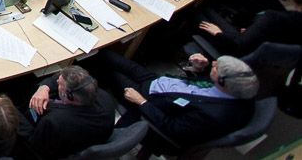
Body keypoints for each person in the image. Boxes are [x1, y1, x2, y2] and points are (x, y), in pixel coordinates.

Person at [91, 49, 258, 156]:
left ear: (223, 82)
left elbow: (172, 128)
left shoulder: (212, 115)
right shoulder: (234, 88)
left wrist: (141, 102)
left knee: (104, 71)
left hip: (149, 100)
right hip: (159, 83)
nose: (213, 63)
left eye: (215, 68)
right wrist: (201, 69)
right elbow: (201, 88)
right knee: (105, 54)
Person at [19, 66, 116, 160]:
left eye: (60, 84)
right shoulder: (104, 98)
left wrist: (14, 113)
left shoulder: (53, 122)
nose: (57, 81)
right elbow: (59, 78)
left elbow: (34, 145)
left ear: (68, 96)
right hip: (87, 138)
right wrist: (44, 87)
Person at [196, 0, 302, 56]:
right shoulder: (294, 18)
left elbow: (238, 45)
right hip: (253, 40)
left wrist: (218, 33)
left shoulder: (271, 17)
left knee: (197, 12)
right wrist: (253, 31)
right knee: (204, 7)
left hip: (239, 48)